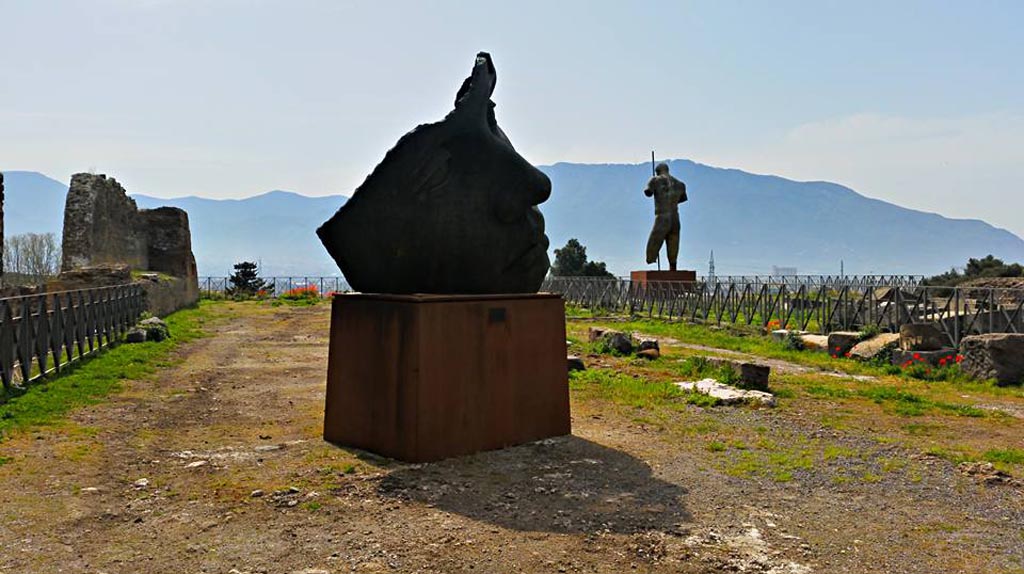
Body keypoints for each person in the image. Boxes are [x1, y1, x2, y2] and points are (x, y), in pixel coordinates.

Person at [643, 162, 688, 271]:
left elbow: (647, 192)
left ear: (658, 171)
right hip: (675, 218)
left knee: (655, 240)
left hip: (662, 216)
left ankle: (651, 259)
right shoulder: (680, 184)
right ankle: (673, 267)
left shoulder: (655, 180)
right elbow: (682, 199)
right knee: (674, 243)